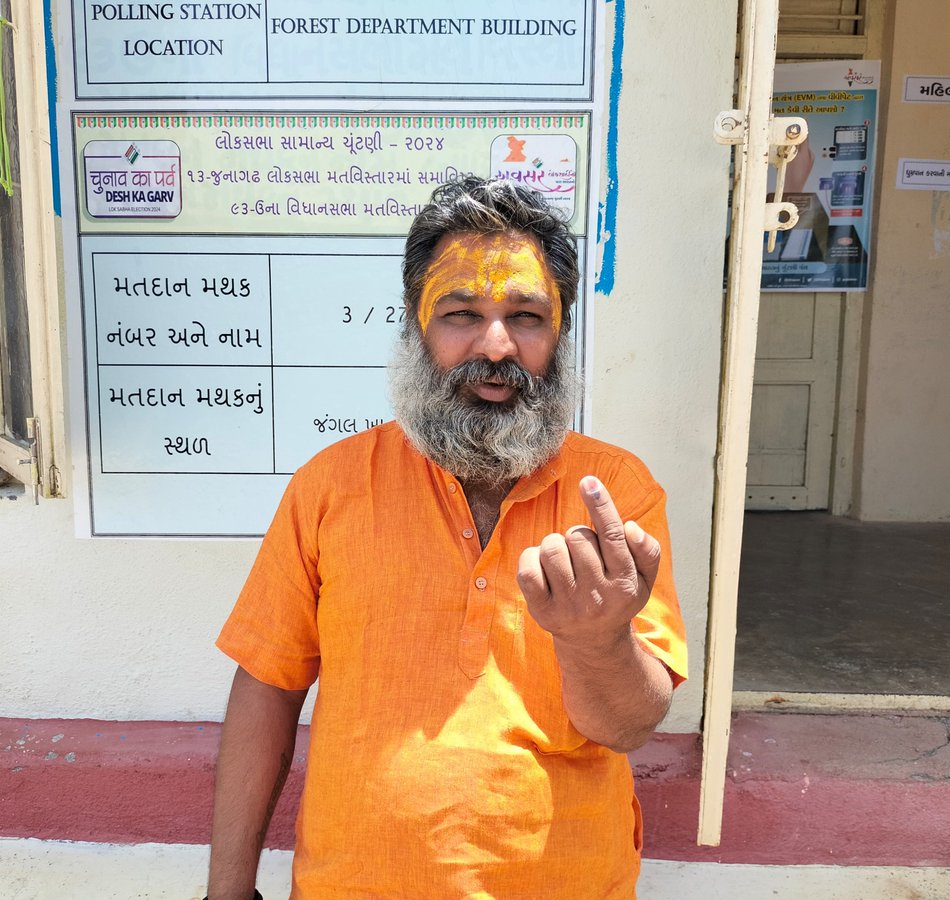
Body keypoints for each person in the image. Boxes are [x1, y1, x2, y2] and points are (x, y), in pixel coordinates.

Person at [208, 176, 688, 899]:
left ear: (559, 335)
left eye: (526, 316)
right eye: (462, 313)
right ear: (414, 325)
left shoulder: (616, 494)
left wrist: (597, 642)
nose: (495, 346)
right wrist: (227, 892)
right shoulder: (332, 485)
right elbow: (267, 689)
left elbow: (628, 728)